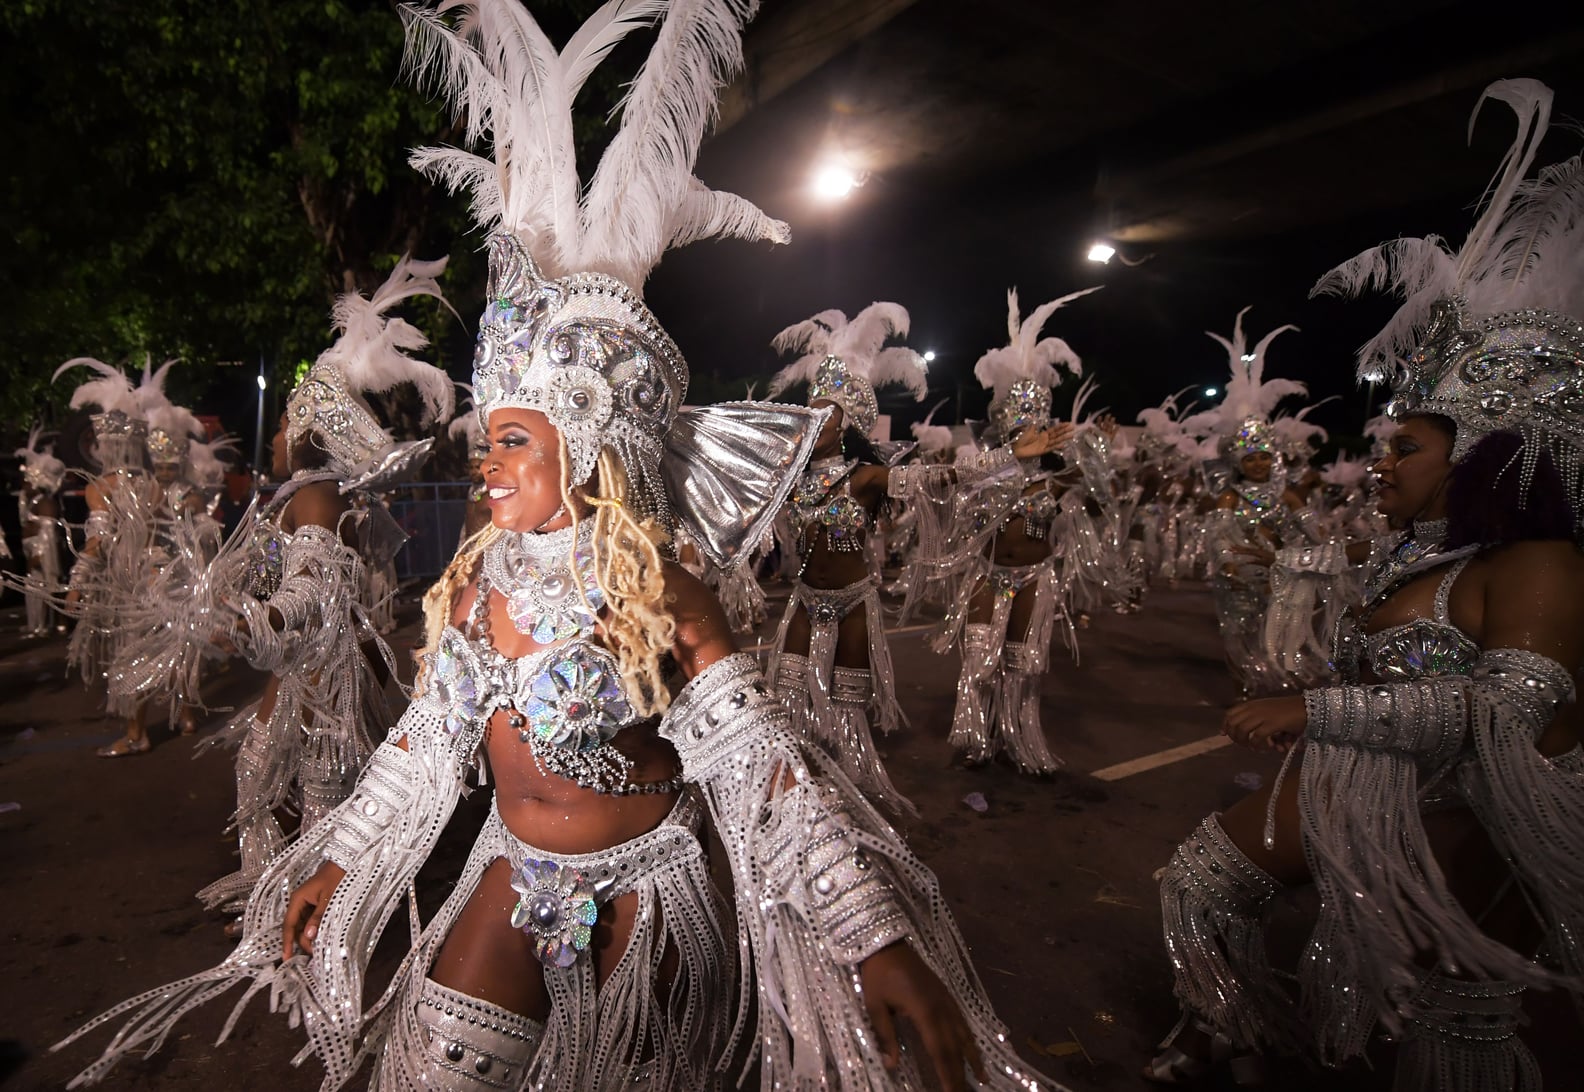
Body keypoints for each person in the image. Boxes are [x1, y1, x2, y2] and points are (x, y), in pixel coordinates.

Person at [55, 3, 1054, 1090]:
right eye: (488, 439)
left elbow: (757, 767)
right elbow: (431, 739)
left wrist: (873, 937)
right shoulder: (479, 577)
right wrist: (340, 858)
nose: (487, 464)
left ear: (588, 444)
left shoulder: (661, 589)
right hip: (507, 869)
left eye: (514, 441)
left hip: (642, 893)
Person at [1149, 78, 1584, 1091]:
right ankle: (1232, 1031)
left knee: (1448, 1027)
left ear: (1487, 452)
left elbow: (1507, 715)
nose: (1380, 464)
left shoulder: (1542, 563)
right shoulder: (1427, 555)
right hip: (1366, 786)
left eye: (1407, 449)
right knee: (1201, 884)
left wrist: (1316, 708)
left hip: (1482, 821)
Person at [918, 288, 1093, 774]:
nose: (1027, 438)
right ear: (1004, 431)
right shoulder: (985, 472)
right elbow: (949, 501)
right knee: (979, 658)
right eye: (1019, 433)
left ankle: (1017, 739)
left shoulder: (1058, 479)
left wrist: (1083, 456)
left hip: (1035, 576)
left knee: (1021, 664)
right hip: (987, 572)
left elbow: (1099, 502)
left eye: (1034, 431)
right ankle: (978, 738)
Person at [763, 302, 930, 813]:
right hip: (805, 598)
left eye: (826, 416)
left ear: (847, 423)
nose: (814, 423)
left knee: (845, 699)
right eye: (811, 413)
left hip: (853, 600)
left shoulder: (866, 477)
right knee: (787, 691)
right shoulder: (791, 477)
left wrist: (1012, 460)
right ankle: (793, 783)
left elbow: (941, 479)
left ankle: (850, 780)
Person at [1181, 310, 1311, 698]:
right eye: (1250, 459)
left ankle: (1268, 682)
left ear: (1273, 460)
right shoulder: (1229, 496)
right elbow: (1218, 537)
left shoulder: (1288, 495)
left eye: (1264, 458)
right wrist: (1229, 564)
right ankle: (1244, 687)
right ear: (1238, 463)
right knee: (1238, 630)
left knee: (1274, 629)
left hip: (1279, 573)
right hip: (1238, 575)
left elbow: (1312, 534)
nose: (1258, 464)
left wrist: (1302, 560)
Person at [12, 426, 67, 637]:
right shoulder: (30, 500)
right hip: (32, 548)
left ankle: (47, 624)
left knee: (45, 585)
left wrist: (39, 555)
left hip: (41, 550)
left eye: (27, 479)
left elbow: (48, 532)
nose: (24, 482)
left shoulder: (45, 502)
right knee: (34, 586)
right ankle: (37, 623)